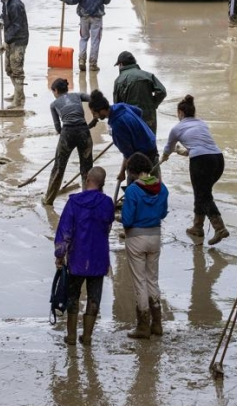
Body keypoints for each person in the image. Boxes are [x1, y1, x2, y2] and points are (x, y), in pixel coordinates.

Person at [54, 166, 115, 346]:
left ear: (87, 179)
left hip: (77, 257)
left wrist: (60, 254)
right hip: (98, 257)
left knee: (73, 295)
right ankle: (87, 336)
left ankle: (71, 336)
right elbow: (108, 225)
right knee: (94, 297)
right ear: (102, 183)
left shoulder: (74, 202)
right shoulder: (107, 203)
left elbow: (65, 231)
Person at [162, 95, 229, 245]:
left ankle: (219, 228)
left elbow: (168, 148)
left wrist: (164, 156)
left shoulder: (177, 128)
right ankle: (197, 227)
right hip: (218, 159)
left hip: (201, 161)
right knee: (202, 192)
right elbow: (200, 145)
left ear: (181, 113)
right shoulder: (202, 124)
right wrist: (183, 152)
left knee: (203, 195)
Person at [122, 152, 169, 339]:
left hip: (136, 237)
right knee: (152, 280)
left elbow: (127, 220)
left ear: (132, 171)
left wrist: (120, 218)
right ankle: (157, 324)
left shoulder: (132, 190)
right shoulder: (162, 188)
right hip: (155, 235)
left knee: (139, 282)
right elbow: (163, 213)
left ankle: (142, 326)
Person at [87, 90, 159, 183]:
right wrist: (133, 129)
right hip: (151, 141)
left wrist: (122, 172)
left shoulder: (117, 126)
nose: (95, 116)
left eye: (94, 113)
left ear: (102, 111)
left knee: (134, 183)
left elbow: (129, 155)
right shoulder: (120, 106)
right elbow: (139, 112)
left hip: (144, 152)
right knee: (155, 182)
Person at [42, 78, 93, 206]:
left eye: (53, 91)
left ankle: (48, 200)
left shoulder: (54, 104)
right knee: (86, 168)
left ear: (56, 90)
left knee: (58, 167)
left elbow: (58, 128)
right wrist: (94, 118)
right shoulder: (77, 96)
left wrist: (65, 140)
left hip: (67, 133)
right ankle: (87, 199)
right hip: (83, 131)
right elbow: (93, 99)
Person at [59, 0, 112, 72]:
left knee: (83, 38)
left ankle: (81, 60)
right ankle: (93, 64)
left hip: (84, 16)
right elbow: (107, 0)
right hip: (97, 16)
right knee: (95, 40)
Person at [113, 51, 167, 134]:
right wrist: (153, 104)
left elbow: (117, 106)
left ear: (121, 64)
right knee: (150, 143)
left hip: (130, 120)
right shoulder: (148, 76)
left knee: (133, 145)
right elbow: (162, 91)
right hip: (149, 119)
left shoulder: (118, 81)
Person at [0, 0, 29, 109]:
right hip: (10, 39)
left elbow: (17, 26)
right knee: (9, 69)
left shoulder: (15, 5)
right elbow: (6, 15)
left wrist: (6, 42)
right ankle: (18, 93)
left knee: (17, 71)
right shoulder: (6, 3)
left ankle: (18, 100)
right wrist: (0, 19)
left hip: (19, 40)